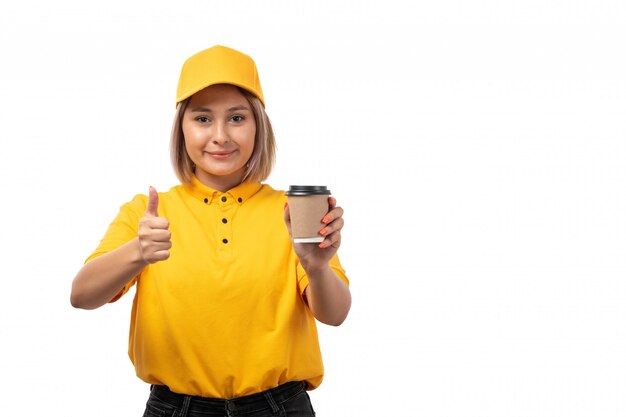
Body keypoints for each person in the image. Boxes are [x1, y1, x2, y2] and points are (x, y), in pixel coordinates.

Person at [70, 45, 351, 417]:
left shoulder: (290, 212)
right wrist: (137, 251)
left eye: (237, 118)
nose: (220, 135)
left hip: (280, 407)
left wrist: (316, 267)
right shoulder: (148, 212)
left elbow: (335, 314)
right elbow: (82, 296)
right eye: (203, 119)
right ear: (182, 129)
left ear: (258, 127)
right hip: (175, 409)